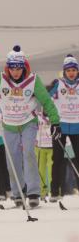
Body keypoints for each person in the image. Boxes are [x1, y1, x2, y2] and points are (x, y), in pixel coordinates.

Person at [0, 45, 60, 208]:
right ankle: (18, 192)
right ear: (8, 68)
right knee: (12, 159)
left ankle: (33, 192)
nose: (15, 72)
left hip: (28, 121)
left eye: (19, 68)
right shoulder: (1, 79)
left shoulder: (33, 80)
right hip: (9, 124)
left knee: (28, 153)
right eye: (12, 68)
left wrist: (55, 121)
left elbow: (46, 101)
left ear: (24, 67)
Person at [49, 54, 79, 202]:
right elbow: (47, 99)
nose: (71, 73)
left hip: (77, 126)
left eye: (74, 70)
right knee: (58, 159)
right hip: (60, 126)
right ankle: (55, 191)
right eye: (68, 70)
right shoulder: (59, 84)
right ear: (64, 72)